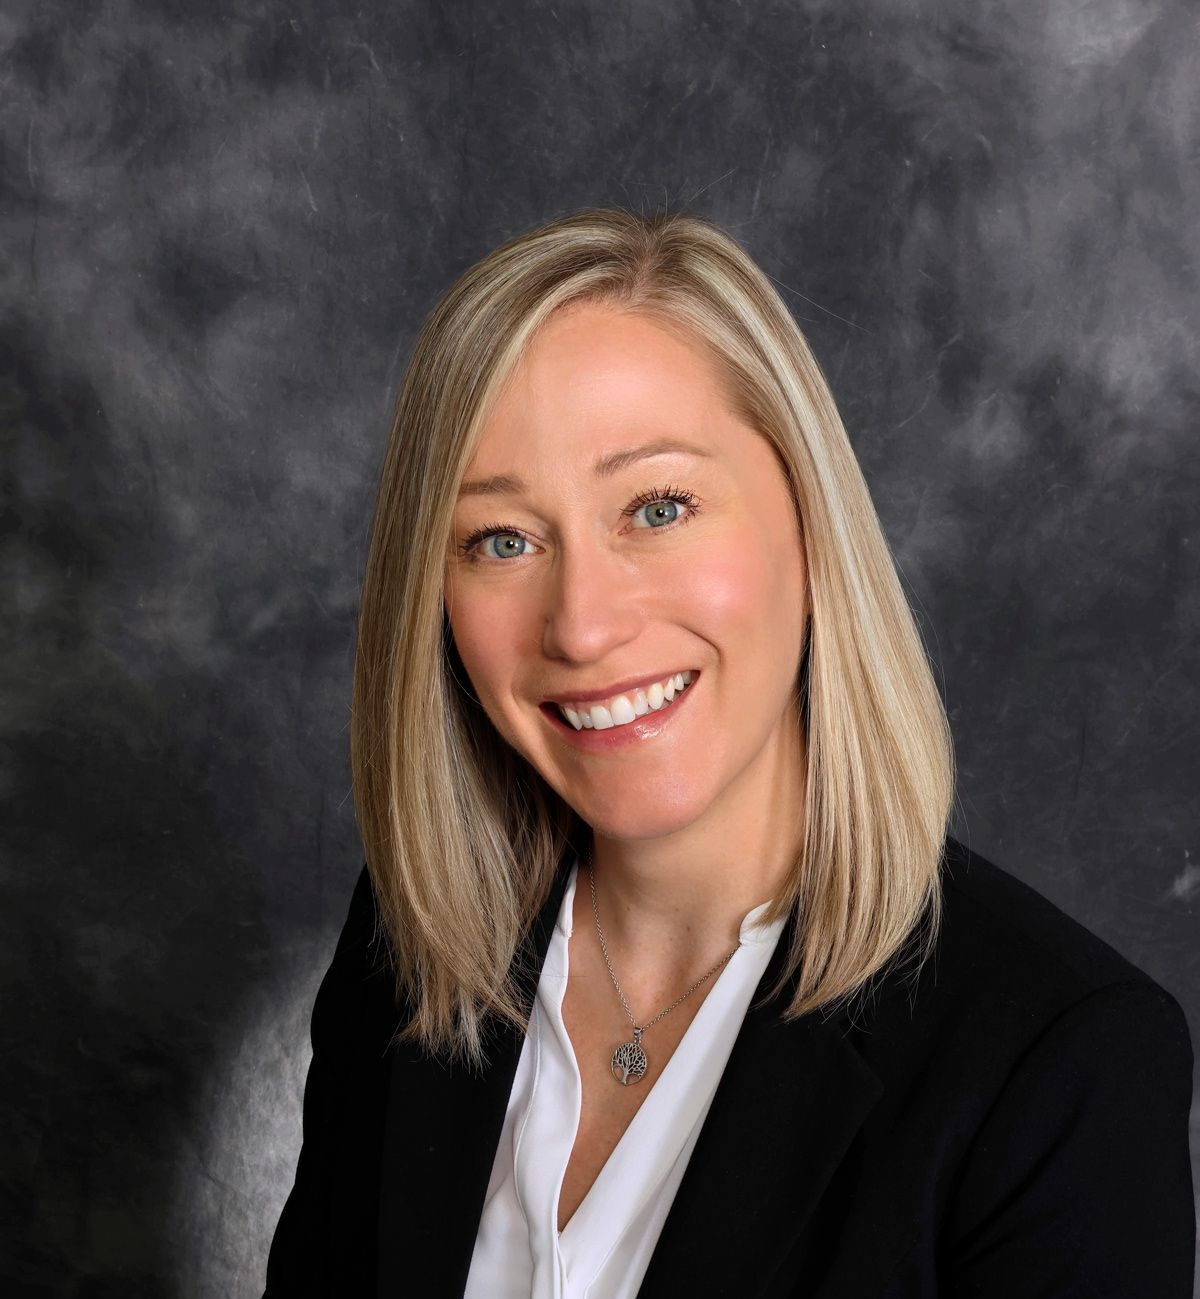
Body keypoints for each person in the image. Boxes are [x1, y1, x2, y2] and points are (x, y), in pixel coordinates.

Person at [263, 208, 1195, 1297]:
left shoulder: (1059, 1062)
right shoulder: (405, 950)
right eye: (501, 540)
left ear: (809, 523)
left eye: (657, 507)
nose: (583, 625)